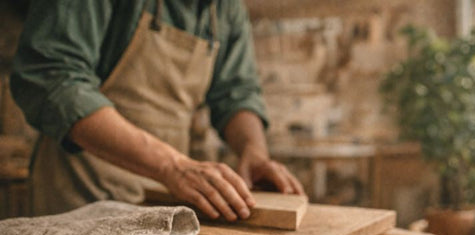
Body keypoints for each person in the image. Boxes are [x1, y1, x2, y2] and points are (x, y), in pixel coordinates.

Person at [11, 0, 304, 220]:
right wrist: (172, 166)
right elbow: (52, 76)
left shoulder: (225, 8)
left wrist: (254, 151)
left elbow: (237, 92)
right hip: (79, 194)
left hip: (167, 197)